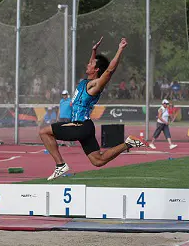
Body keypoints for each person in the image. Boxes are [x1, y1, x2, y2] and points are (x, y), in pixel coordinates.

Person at [39, 37, 147, 181]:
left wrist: (120, 49)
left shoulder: (94, 86)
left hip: (80, 126)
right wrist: (94, 51)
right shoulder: (86, 81)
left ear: (96, 69)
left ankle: (60, 165)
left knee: (44, 132)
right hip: (86, 126)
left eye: (91, 63)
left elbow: (108, 71)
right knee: (98, 161)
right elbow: (94, 67)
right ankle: (128, 143)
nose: (88, 64)